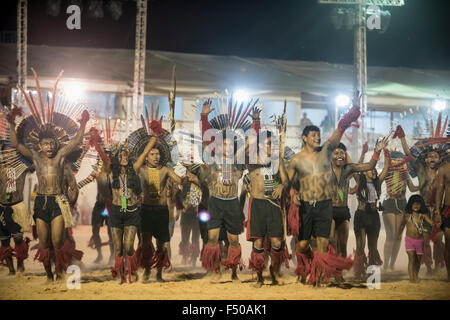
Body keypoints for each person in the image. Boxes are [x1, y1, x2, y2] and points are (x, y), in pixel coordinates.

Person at [8, 93, 89, 283]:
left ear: (56, 143)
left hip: (58, 201)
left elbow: (76, 142)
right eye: (45, 143)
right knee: (44, 243)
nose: (49, 146)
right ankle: (50, 275)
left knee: (58, 241)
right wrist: (11, 123)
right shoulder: (36, 158)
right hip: (41, 203)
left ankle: (61, 270)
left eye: (52, 143)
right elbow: (16, 144)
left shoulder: (61, 156)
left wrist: (83, 123)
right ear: (40, 146)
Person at [287, 92, 361, 286]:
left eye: (319, 135)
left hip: (324, 204)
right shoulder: (295, 160)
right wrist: (293, 194)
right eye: (313, 135)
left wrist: (354, 111)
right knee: (302, 245)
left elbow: (340, 130)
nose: (317, 137)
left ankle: (317, 277)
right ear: (304, 138)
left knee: (323, 242)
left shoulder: (326, 152)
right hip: (306, 206)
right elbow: (287, 183)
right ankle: (309, 263)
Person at [132, 123, 194, 282]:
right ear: (147, 156)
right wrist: (154, 139)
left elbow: (179, 180)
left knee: (162, 245)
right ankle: (146, 270)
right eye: (152, 154)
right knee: (145, 244)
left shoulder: (165, 170)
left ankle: (159, 273)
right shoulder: (142, 169)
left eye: (158, 154)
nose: (156, 156)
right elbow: (137, 163)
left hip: (161, 211)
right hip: (146, 211)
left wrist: (188, 177)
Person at [199, 99, 250, 283]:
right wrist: (204, 116)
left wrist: (257, 122)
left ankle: (234, 271)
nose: (226, 147)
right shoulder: (212, 161)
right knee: (212, 239)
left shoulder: (238, 162)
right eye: (223, 144)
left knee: (233, 241)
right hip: (215, 202)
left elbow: (251, 141)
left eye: (230, 145)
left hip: (232, 204)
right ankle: (215, 270)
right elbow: (206, 139)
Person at [396, 124, 444, 274]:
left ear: (440, 159)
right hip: (422, 212)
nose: (432, 158)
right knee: (424, 242)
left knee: (438, 240)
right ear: (425, 158)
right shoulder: (420, 170)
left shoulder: (443, 172)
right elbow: (408, 154)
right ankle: (429, 267)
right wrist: (402, 137)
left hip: (439, 211)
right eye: (429, 156)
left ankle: (437, 265)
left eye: (435, 156)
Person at [329, 140, 386, 266]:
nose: (340, 155)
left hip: (343, 211)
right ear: (330, 155)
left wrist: (377, 151)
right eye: (336, 153)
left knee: (343, 245)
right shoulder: (326, 170)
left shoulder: (348, 169)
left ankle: (340, 272)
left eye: (342, 153)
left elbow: (369, 166)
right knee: (332, 241)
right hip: (329, 210)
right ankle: (331, 268)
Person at [378, 149, 419, 272]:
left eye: (401, 159)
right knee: (391, 235)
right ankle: (386, 265)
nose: (400, 162)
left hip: (402, 204)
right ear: (392, 160)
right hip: (389, 203)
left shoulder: (405, 173)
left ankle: (391, 265)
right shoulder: (387, 170)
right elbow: (378, 182)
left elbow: (411, 188)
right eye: (397, 159)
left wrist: (423, 184)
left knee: (399, 236)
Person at [0, 140, 33, 275]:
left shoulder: (22, 167)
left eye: (11, 152)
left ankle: (20, 266)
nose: (8, 154)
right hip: (1, 208)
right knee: (4, 241)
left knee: (18, 239)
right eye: (5, 151)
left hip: (15, 208)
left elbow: (36, 162)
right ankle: (11, 270)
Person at [400, 195, 434, 283]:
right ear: (410, 205)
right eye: (414, 204)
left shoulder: (423, 216)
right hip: (409, 240)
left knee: (418, 260)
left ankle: (416, 275)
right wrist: (398, 234)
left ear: (421, 205)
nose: (416, 206)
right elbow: (401, 226)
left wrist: (437, 223)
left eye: (418, 204)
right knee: (411, 259)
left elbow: (431, 223)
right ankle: (412, 279)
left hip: (420, 241)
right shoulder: (407, 216)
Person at [435, 161, 450, 281]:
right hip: (448, 209)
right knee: (449, 243)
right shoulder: (444, 169)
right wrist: (437, 212)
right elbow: (440, 190)